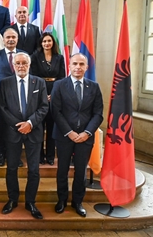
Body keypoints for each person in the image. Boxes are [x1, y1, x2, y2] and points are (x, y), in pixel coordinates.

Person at [51, 53, 103, 217]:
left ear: (86, 67)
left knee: (81, 172)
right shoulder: (59, 85)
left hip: (85, 137)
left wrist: (87, 132)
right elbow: (56, 112)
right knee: (62, 170)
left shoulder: (94, 87)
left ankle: (77, 202)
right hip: (64, 135)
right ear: (69, 66)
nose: (78, 67)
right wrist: (70, 132)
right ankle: (61, 200)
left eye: (82, 64)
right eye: (75, 64)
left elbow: (98, 114)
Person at [0, 52, 49, 220]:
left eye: (24, 63)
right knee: (11, 168)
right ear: (13, 65)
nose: (21, 66)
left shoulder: (39, 82)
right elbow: (2, 107)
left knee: (34, 170)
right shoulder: (5, 83)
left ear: (29, 65)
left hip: (33, 132)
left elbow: (44, 107)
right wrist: (18, 125)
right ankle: (12, 199)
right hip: (13, 132)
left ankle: (30, 202)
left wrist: (30, 123)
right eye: (18, 63)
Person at [0, 28, 26, 167]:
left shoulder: (24, 55)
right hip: (1, 98)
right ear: (3, 39)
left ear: (17, 39)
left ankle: (15, 156)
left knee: (17, 127)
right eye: (8, 37)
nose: (10, 39)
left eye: (13, 37)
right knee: (1, 128)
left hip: (20, 98)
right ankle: (1, 154)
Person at [30, 32, 66, 165]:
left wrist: (54, 94)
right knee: (39, 127)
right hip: (39, 91)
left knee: (52, 127)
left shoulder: (59, 58)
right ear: (41, 43)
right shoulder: (35, 57)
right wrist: (43, 95)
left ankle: (50, 156)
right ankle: (40, 156)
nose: (47, 43)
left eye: (49, 41)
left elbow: (62, 77)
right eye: (44, 41)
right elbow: (33, 76)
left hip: (55, 92)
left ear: (53, 43)